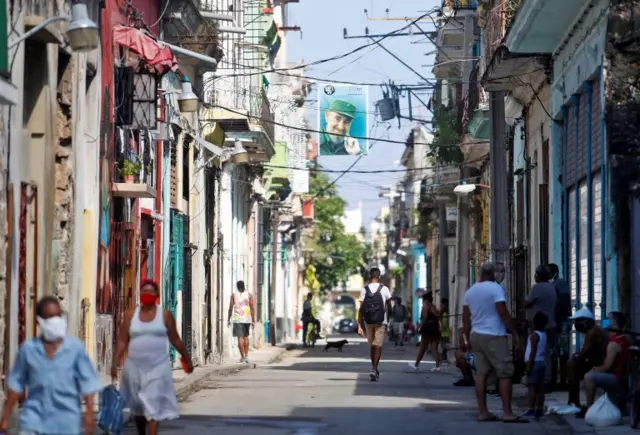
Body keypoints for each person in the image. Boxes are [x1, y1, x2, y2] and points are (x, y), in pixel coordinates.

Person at [0, 296, 103, 435]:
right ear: (39, 321)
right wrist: (5, 417)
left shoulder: (74, 349)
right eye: (49, 317)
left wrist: (89, 415)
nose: (54, 321)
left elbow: (88, 383)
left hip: (66, 422)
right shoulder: (28, 349)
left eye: (57, 316)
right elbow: (16, 384)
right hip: (34, 420)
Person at [112, 280, 192, 435]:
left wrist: (186, 358)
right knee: (138, 408)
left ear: (157, 295)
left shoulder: (165, 315)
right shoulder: (131, 315)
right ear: (140, 294)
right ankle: (142, 431)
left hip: (157, 368)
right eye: (144, 291)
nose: (147, 294)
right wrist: (115, 363)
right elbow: (122, 340)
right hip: (134, 369)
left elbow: (175, 339)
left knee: (153, 406)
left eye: (151, 291)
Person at [462, 262, 526, 423]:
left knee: (481, 374)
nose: (499, 275)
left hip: (476, 335)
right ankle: (507, 412)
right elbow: (502, 311)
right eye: (497, 272)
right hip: (494, 335)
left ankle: (483, 412)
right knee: (505, 372)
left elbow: (465, 318)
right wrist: (514, 332)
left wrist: (468, 339)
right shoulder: (495, 288)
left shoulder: (470, 292)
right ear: (492, 274)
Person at [579, 311, 630, 418]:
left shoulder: (614, 343)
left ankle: (590, 408)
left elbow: (607, 366)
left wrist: (596, 369)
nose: (605, 321)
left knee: (588, 377)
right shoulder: (620, 338)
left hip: (617, 378)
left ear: (614, 323)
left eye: (608, 319)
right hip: (620, 376)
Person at [565, 307, 608, 410]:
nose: (576, 324)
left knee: (571, 365)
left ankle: (574, 401)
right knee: (571, 364)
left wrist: (576, 358)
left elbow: (584, 353)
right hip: (596, 362)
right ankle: (573, 400)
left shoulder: (592, 332)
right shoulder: (592, 331)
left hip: (600, 364)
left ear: (587, 321)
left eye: (578, 321)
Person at [357, 267, 393, 381]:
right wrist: (389, 318)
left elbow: (361, 308)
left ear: (370, 276)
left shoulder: (365, 289)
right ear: (379, 277)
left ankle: (373, 368)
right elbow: (389, 305)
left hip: (368, 321)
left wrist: (359, 325)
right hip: (381, 320)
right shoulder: (385, 289)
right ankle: (374, 368)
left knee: (372, 345)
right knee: (378, 344)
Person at [525, 264, 557, 385]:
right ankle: (549, 379)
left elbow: (526, 302)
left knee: (537, 352)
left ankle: (543, 380)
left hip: (540, 326)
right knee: (549, 352)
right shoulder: (551, 287)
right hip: (551, 323)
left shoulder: (537, 288)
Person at [549, 263, 571, 389]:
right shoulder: (553, 284)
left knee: (562, 353)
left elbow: (563, 302)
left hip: (561, 322)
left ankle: (563, 380)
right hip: (556, 322)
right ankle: (554, 379)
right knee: (554, 353)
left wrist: (559, 320)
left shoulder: (560, 283)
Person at [522, 311, 549, 418]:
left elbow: (533, 351)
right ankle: (539, 408)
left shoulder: (534, 335)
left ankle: (531, 408)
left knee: (532, 387)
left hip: (535, 363)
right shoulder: (544, 334)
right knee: (540, 388)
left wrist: (529, 364)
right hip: (542, 362)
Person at [410, 293, 442, 372]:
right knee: (434, 347)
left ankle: (416, 364)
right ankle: (437, 366)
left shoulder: (425, 305)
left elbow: (425, 317)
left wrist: (420, 325)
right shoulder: (433, 307)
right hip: (434, 329)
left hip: (427, 329)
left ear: (426, 300)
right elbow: (438, 316)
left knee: (423, 347)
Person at [227, 280, 256, 363]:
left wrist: (228, 319)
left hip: (237, 319)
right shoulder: (249, 295)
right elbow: (252, 308)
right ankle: (246, 356)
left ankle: (242, 357)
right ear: (244, 286)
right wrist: (253, 320)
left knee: (240, 338)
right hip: (246, 319)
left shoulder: (233, 295)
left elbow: (230, 308)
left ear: (237, 286)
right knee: (246, 337)